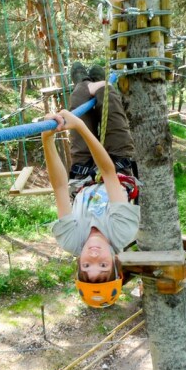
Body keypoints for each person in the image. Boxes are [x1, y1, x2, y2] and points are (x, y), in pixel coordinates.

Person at [44, 63, 140, 308]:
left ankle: (85, 80)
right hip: (117, 167)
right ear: (116, 260)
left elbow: (59, 188)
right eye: (103, 265)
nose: (93, 257)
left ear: (78, 264)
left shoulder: (70, 240)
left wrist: (48, 139)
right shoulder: (123, 232)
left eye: (86, 265)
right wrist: (81, 127)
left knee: (78, 97)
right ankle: (98, 80)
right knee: (106, 96)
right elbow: (108, 173)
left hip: (84, 175)